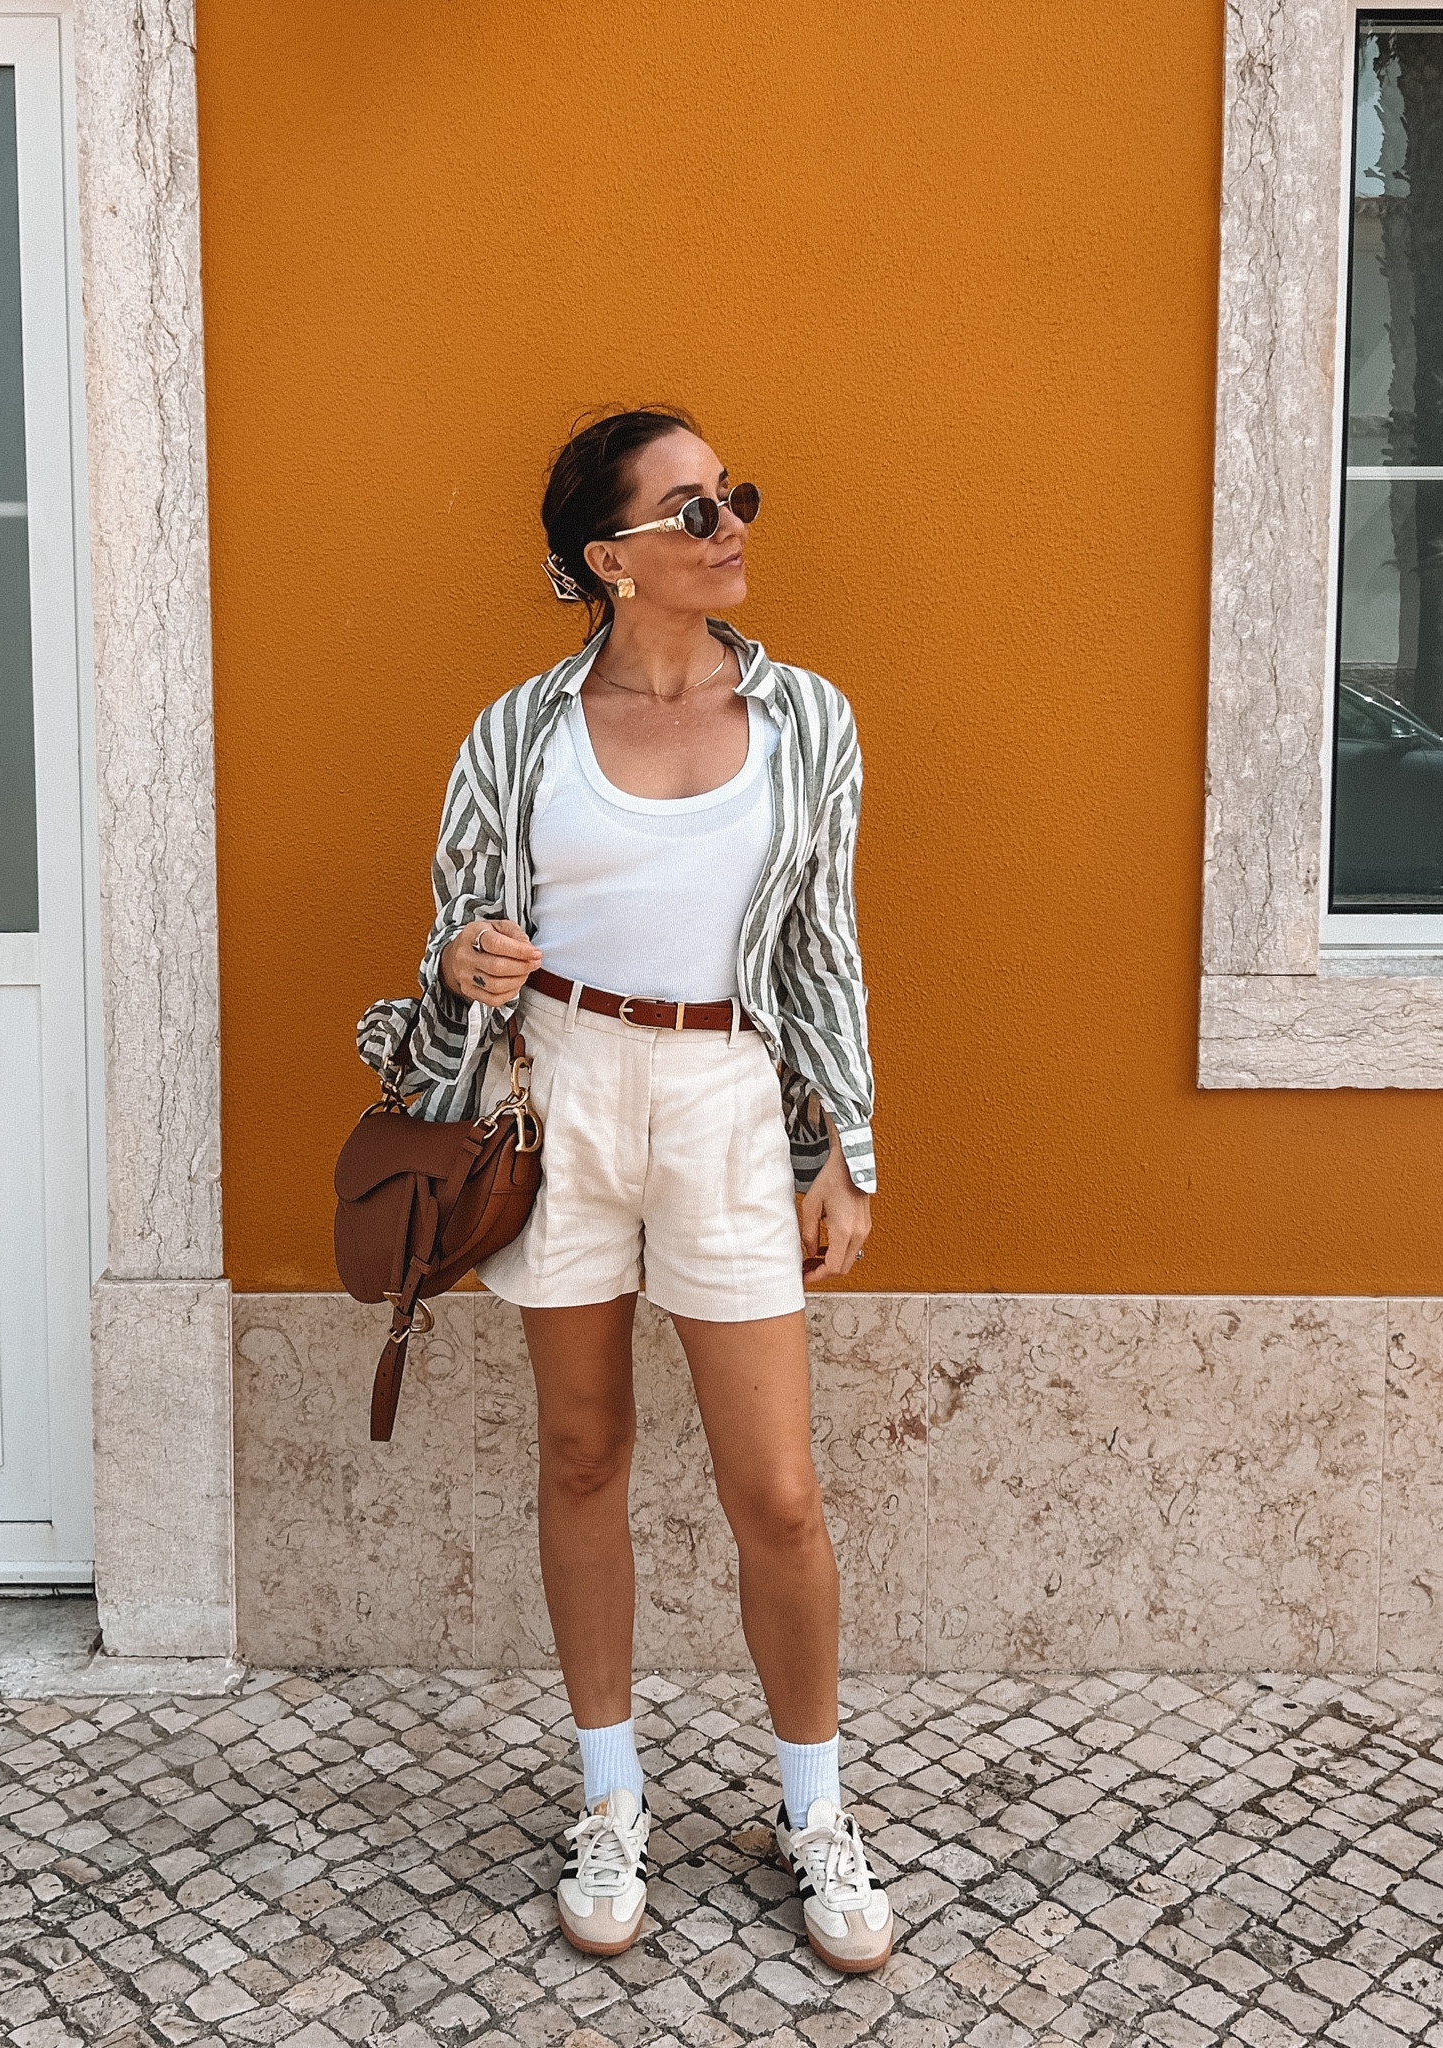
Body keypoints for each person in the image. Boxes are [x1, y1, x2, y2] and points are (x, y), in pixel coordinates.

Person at [357, 407, 890, 1974]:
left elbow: (821, 945)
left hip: (727, 1098)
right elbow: (455, 938)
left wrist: (840, 1142)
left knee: (776, 1495)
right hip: (559, 1097)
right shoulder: (515, 731)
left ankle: (814, 1807)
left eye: (732, 496)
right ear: (609, 558)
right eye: (690, 507)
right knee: (583, 1455)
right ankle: (609, 1790)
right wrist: (460, 965)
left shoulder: (806, 719)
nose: (728, 525)